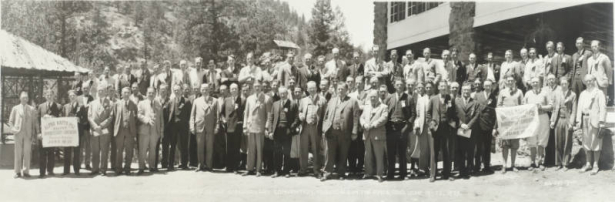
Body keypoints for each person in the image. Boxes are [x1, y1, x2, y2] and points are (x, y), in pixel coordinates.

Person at [321, 83, 360, 181]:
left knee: (343, 152)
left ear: (347, 90)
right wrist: (325, 127)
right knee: (329, 153)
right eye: (338, 89)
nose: (340, 91)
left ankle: (341, 173)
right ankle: (327, 172)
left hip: (345, 132)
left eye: (342, 89)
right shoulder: (332, 100)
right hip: (331, 131)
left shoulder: (352, 101)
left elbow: (356, 117)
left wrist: (354, 131)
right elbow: (326, 116)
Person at [575, 74, 607, 175]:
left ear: (594, 81)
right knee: (586, 142)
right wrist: (578, 120)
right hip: (585, 118)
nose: (588, 83)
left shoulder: (599, 93)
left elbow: (603, 108)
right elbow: (579, 107)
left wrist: (602, 122)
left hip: (595, 120)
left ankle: (595, 165)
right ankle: (588, 163)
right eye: (587, 81)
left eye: (590, 80)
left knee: (595, 142)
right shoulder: (583, 93)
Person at [384, 79, 415, 180]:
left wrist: (407, 126)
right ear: (394, 86)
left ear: (404, 86)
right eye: (397, 84)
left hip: (403, 127)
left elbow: (413, 114)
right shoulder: (389, 98)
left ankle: (403, 174)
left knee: (402, 152)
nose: (399, 86)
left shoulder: (409, 98)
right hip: (391, 127)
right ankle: (390, 174)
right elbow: (385, 112)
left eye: (401, 85)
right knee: (391, 152)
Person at [427, 80, 456, 182]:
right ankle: (433, 175)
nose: (443, 88)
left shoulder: (450, 98)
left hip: (446, 129)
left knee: (446, 152)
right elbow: (428, 113)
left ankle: (447, 174)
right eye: (442, 86)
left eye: (445, 86)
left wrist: (452, 123)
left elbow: (453, 113)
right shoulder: (433, 98)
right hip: (436, 129)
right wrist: (431, 124)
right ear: (438, 88)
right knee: (434, 152)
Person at [268, 86, 300, 178]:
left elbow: (297, 118)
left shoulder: (293, 104)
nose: (282, 95)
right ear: (279, 94)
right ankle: (277, 171)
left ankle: (286, 171)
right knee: (277, 152)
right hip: (277, 131)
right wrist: (270, 131)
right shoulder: (275, 104)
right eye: (281, 93)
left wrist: (291, 128)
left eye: (284, 93)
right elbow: (271, 118)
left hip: (287, 132)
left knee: (287, 152)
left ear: (287, 94)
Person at [298, 81, 328, 177]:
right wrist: (301, 115)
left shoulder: (322, 100)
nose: (311, 90)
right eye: (309, 88)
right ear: (307, 89)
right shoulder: (303, 100)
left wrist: (324, 128)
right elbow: (299, 112)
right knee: (303, 149)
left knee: (316, 149)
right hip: (305, 127)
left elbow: (325, 115)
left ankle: (316, 170)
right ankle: (303, 169)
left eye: (313, 88)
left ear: (316, 88)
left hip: (316, 127)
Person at [242, 81, 272, 177]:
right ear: (253, 87)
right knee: (250, 149)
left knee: (259, 149)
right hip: (251, 126)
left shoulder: (266, 99)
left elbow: (269, 115)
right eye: (255, 86)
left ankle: (259, 169)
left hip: (260, 127)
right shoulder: (249, 98)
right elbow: (246, 113)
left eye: (259, 86)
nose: (257, 88)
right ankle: (250, 168)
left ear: (262, 87)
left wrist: (267, 127)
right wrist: (244, 126)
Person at [496, 75, 524, 173]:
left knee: (514, 145)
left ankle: (512, 165)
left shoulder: (519, 92)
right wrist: (505, 112)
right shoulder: (502, 92)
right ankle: (504, 165)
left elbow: (522, 106)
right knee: (505, 144)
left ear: (515, 81)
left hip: (515, 122)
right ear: (506, 82)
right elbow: (499, 105)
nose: (510, 82)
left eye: (512, 80)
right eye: (508, 81)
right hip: (505, 122)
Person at [189, 83, 219, 172]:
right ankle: (200, 165)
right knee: (199, 147)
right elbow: (192, 115)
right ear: (200, 90)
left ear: (209, 90)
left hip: (210, 127)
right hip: (199, 126)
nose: (205, 91)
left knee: (210, 147)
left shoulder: (215, 101)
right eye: (203, 89)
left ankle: (209, 165)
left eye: (206, 89)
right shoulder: (196, 101)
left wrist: (217, 126)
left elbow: (217, 115)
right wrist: (192, 126)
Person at [525, 76, 553, 171]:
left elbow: (551, 106)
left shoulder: (545, 93)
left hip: (542, 117)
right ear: (531, 84)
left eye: (537, 82)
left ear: (540, 83)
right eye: (533, 82)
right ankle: (532, 162)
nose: (535, 84)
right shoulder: (528, 94)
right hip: (532, 119)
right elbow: (523, 107)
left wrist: (542, 107)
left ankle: (540, 162)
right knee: (532, 140)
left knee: (541, 140)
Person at [360, 90, 388, 182]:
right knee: (367, 155)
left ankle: (379, 174)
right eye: (371, 97)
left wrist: (373, 124)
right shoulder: (367, 107)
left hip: (377, 134)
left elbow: (384, 119)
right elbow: (362, 118)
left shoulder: (384, 107)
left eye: (374, 97)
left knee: (379, 155)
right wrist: (364, 124)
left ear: (378, 97)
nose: (372, 98)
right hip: (367, 134)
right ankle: (368, 173)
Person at [9, 91, 37, 178]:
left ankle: (26, 171)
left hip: (28, 133)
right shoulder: (15, 108)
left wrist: (33, 134)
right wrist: (13, 129)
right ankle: (17, 171)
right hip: (18, 132)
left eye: (26, 97)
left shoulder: (31, 109)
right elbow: (10, 120)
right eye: (23, 97)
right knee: (18, 152)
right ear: (20, 98)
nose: (25, 99)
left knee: (27, 152)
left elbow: (34, 123)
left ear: (28, 99)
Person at [550, 77, 576, 171]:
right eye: (562, 83)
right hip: (558, 120)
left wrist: (571, 123)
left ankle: (566, 163)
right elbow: (554, 109)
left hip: (567, 120)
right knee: (558, 142)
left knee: (567, 142)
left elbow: (574, 111)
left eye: (565, 83)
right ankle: (558, 163)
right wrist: (552, 121)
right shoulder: (557, 94)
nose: (564, 85)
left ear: (568, 84)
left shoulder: (573, 95)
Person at [88, 85, 114, 176]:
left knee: (104, 150)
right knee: (95, 150)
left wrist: (101, 126)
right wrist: (95, 127)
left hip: (105, 130)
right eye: (99, 91)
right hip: (95, 129)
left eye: (102, 91)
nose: (100, 92)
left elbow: (110, 117)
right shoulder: (92, 103)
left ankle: (103, 169)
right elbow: (90, 116)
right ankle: (95, 168)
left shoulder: (110, 103)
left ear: (105, 92)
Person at [454, 83, 478, 179]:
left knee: (470, 150)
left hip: (470, 129)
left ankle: (469, 169)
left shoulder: (475, 103)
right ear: (461, 90)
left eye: (468, 90)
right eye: (464, 90)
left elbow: (476, 115)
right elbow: (455, 114)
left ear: (470, 91)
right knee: (461, 151)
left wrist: (469, 125)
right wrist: (461, 124)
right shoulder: (457, 101)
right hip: (460, 129)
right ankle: (462, 171)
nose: (466, 92)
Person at [136, 87, 164, 174]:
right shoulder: (141, 103)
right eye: (149, 93)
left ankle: (152, 167)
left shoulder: (158, 104)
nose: (151, 94)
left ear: (155, 94)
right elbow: (139, 115)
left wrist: (161, 131)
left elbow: (161, 118)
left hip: (155, 131)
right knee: (143, 149)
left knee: (153, 149)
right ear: (146, 93)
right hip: (144, 130)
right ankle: (141, 167)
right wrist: (147, 120)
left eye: (152, 93)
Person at [473, 80, 497, 174]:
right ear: (483, 86)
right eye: (486, 85)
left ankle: (486, 166)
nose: (487, 87)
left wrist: (494, 126)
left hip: (489, 125)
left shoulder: (494, 97)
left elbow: (495, 112)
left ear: (492, 87)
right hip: (479, 124)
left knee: (487, 147)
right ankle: (477, 166)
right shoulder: (477, 95)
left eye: (489, 86)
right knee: (478, 147)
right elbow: (475, 109)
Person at [112, 87, 137, 175]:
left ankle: (127, 168)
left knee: (129, 150)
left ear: (130, 94)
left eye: (128, 93)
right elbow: (115, 116)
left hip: (130, 131)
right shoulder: (117, 104)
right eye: (124, 93)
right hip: (120, 130)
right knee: (119, 150)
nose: (126, 94)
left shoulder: (133, 104)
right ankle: (118, 169)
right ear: (121, 94)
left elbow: (135, 117)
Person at [220, 83, 245, 173]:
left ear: (238, 90)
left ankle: (235, 167)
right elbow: (221, 113)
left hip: (237, 126)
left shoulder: (242, 100)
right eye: (232, 89)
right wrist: (223, 120)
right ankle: (229, 166)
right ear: (230, 90)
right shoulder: (226, 100)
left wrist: (238, 109)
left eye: (235, 89)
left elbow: (243, 114)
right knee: (229, 147)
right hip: (228, 126)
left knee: (236, 147)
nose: (234, 90)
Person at [37, 90, 61, 178]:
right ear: (45, 96)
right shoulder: (40, 106)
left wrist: (52, 117)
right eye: (47, 95)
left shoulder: (58, 106)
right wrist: (38, 132)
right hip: (43, 134)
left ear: (54, 96)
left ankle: (50, 170)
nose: (49, 96)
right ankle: (42, 172)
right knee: (42, 153)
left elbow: (61, 120)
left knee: (51, 152)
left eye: (51, 94)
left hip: (52, 134)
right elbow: (37, 120)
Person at [167, 85, 191, 170]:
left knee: (184, 145)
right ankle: (170, 164)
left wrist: (186, 123)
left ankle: (184, 164)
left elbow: (189, 114)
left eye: (178, 90)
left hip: (183, 126)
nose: (176, 92)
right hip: (173, 127)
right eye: (175, 90)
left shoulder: (187, 101)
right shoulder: (171, 101)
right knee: (172, 145)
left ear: (181, 91)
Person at [411, 82, 432, 178]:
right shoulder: (421, 100)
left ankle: (432, 169)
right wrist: (417, 125)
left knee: (432, 149)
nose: (428, 89)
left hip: (433, 126)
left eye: (429, 87)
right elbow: (418, 115)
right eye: (427, 87)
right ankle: (423, 169)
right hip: (423, 126)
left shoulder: (435, 98)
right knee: (423, 149)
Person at [80, 85, 95, 170]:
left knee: (88, 145)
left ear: (89, 89)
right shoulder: (78, 98)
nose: (85, 89)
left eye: (87, 88)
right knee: (80, 145)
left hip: (88, 126)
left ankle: (87, 163)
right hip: (80, 126)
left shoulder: (92, 99)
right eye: (84, 88)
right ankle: (78, 163)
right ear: (82, 89)